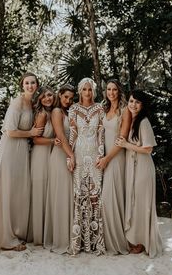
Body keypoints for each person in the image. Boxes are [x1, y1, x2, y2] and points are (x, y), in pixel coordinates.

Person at [0, 72, 42, 253]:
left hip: (22, 151)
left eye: (33, 83)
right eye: (27, 83)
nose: (30, 86)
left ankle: (15, 231)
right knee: (8, 191)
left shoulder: (31, 104)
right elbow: (10, 131)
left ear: (36, 85)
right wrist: (30, 133)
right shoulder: (17, 103)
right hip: (10, 150)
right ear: (22, 85)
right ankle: (6, 239)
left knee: (17, 192)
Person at [117, 90, 162, 258]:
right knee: (135, 203)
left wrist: (127, 145)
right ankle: (136, 239)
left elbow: (148, 148)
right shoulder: (133, 120)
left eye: (137, 102)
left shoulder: (143, 122)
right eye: (130, 101)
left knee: (142, 204)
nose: (133, 105)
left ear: (142, 105)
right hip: (133, 165)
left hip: (143, 167)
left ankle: (142, 242)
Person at [68, 77, 105, 255]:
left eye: (90, 90)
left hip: (95, 154)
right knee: (80, 193)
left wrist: (101, 153)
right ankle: (80, 243)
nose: (87, 93)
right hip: (79, 154)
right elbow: (72, 135)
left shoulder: (100, 108)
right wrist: (70, 157)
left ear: (93, 91)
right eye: (84, 89)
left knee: (95, 194)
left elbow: (101, 133)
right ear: (80, 91)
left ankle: (95, 242)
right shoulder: (73, 109)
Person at [96, 79, 131, 255]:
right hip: (104, 157)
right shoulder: (104, 110)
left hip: (116, 158)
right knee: (107, 198)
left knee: (110, 198)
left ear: (119, 91)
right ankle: (108, 240)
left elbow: (122, 139)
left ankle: (118, 242)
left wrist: (107, 159)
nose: (111, 92)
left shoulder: (125, 111)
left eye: (114, 89)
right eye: (108, 89)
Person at [44, 84, 75, 254]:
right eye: (65, 97)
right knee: (61, 195)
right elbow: (61, 136)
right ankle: (60, 239)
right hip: (60, 156)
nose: (68, 101)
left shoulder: (69, 112)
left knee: (68, 195)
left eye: (71, 98)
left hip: (69, 154)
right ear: (59, 95)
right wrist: (71, 155)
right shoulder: (56, 111)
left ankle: (70, 235)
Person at [27, 86, 59, 246]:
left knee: (47, 191)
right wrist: (53, 141)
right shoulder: (41, 114)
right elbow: (36, 139)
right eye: (44, 96)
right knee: (39, 192)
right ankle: (38, 234)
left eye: (50, 96)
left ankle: (47, 230)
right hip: (40, 155)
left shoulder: (52, 113)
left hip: (50, 154)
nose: (48, 98)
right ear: (39, 98)